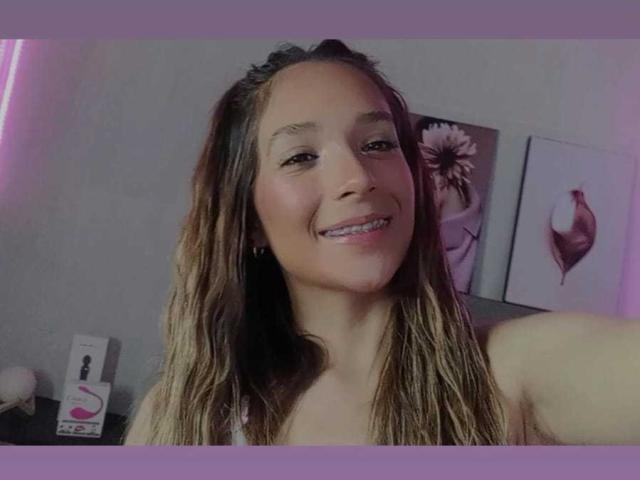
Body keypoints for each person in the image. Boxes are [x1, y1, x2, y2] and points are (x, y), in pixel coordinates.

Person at [124, 39, 640, 445]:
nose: (358, 177)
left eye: (377, 144)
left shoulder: (508, 375)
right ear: (250, 220)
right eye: (301, 157)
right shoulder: (179, 418)